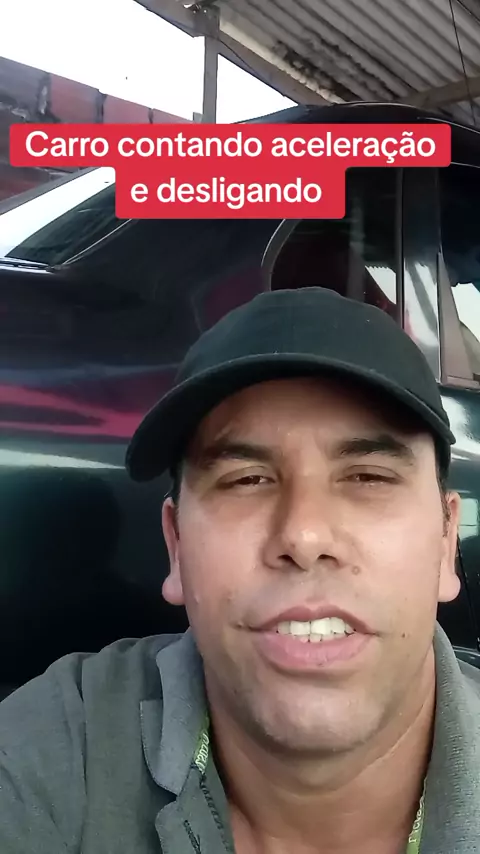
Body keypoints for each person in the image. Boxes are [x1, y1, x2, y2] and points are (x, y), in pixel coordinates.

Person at [0, 286, 477, 854]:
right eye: (246, 480)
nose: (304, 537)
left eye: (368, 477)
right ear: (176, 547)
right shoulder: (60, 743)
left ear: (445, 541)